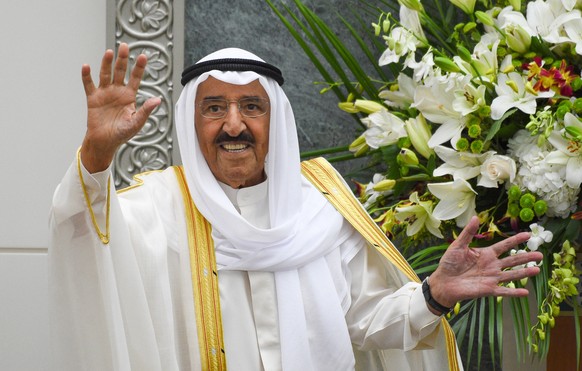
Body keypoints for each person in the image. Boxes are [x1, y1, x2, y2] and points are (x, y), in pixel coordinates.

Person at [48, 43, 542, 371]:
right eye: (214, 107)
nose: (234, 125)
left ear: (276, 120)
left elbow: (367, 321)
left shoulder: (321, 210)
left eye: (252, 107)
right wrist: (97, 155)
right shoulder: (154, 211)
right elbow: (83, 232)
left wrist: (434, 293)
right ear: (192, 121)